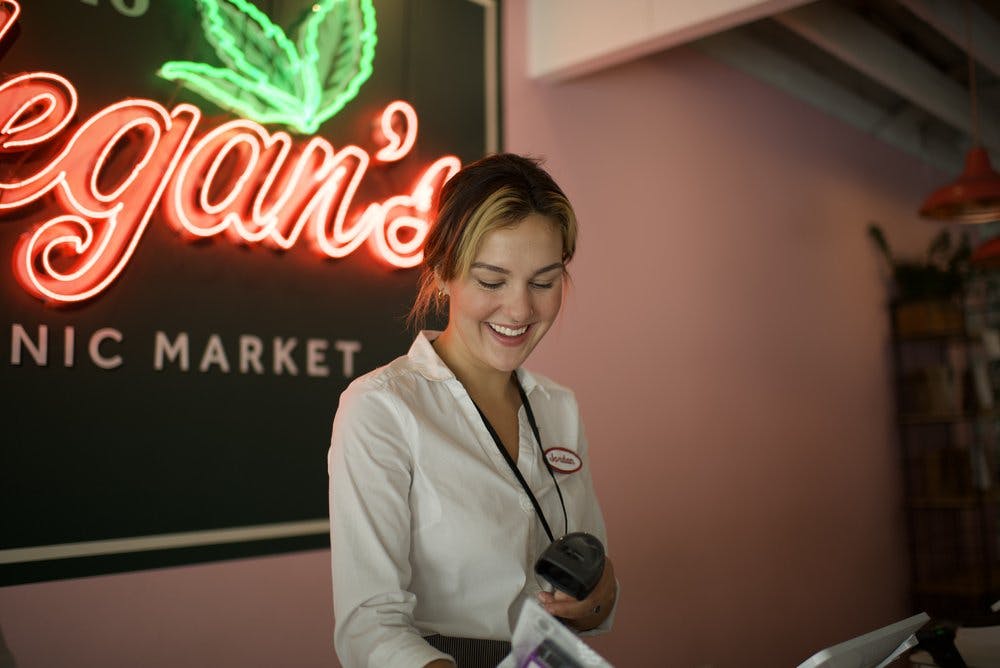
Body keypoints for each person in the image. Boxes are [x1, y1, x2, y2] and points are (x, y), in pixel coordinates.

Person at [328, 153, 617, 668]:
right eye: (492, 281)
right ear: (442, 271)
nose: (520, 309)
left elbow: (593, 588)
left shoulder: (559, 408)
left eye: (544, 282)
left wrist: (596, 597)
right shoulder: (382, 408)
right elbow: (368, 626)